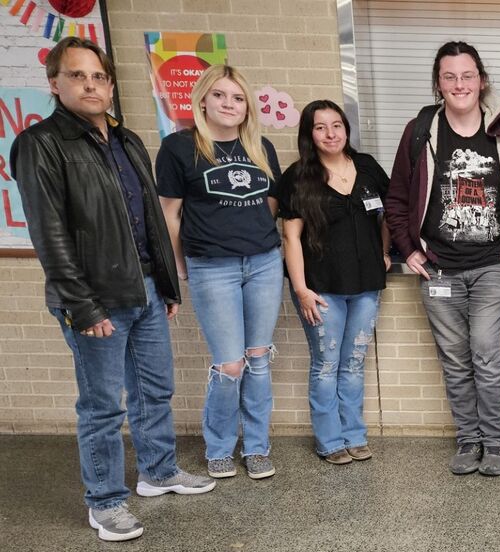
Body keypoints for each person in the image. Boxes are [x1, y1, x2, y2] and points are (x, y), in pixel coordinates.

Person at [11, 37, 214, 542]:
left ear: (110, 84)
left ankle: (158, 472)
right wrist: (82, 306)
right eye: (77, 76)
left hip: (145, 289)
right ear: (54, 84)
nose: (91, 85)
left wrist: (165, 286)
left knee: (154, 390)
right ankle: (104, 502)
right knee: (102, 407)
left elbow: (151, 220)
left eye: (98, 76)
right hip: (95, 298)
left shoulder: (127, 140)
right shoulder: (41, 144)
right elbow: (49, 234)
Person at [384, 41, 500, 477]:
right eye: (450, 77)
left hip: (492, 266)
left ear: (481, 80)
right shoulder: (420, 131)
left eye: (467, 75)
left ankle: (495, 441)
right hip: (439, 270)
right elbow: (396, 198)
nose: (459, 84)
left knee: (484, 350)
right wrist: (409, 248)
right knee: (454, 358)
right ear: (438, 83)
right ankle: (469, 441)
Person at [157, 65, 284, 481]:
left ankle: (258, 447)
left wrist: (253, 234)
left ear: (247, 106)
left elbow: (270, 203)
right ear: (203, 100)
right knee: (230, 365)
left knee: (258, 359)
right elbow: (169, 215)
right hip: (212, 267)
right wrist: (179, 266)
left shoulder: (260, 146)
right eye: (220, 95)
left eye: (238, 98)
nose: (229, 104)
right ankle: (219, 447)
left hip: (264, 263)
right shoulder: (179, 148)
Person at [278, 100, 391, 465]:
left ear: (346, 128)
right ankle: (329, 441)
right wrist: (300, 289)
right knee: (326, 364)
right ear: (309, 134)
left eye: (337, 125)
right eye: (320, 127)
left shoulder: (367, 166)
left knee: (354, 363)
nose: (331, 134)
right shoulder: (299, 176)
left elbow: (387, 215)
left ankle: (355, 435)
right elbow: (291, 237)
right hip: (320, 287)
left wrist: (384, 252)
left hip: (366, 283)